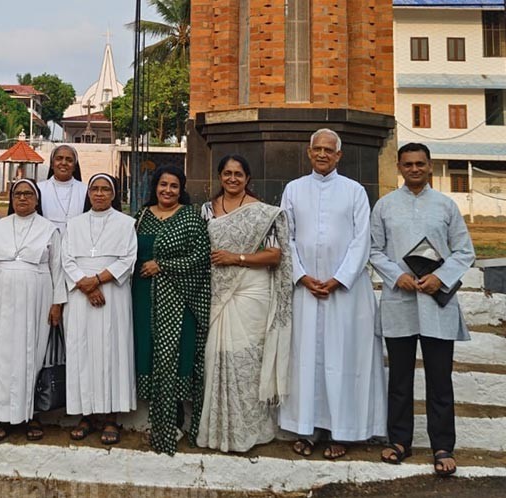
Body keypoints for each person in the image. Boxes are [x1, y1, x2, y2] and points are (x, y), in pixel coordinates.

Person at [279, 128, 387, 459]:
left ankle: (343, 432)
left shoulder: (354, 191)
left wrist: (339, 278)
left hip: (346, 293)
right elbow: (286, 237)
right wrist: (302, 276)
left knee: (344, 359)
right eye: (318, 149)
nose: (323, 154)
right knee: (307, 359)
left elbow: (362, 239)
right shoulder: (294, 189)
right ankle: (308, 429)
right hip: (306, 290)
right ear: (309, 152)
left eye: (329, 150)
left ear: (339, 155)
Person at [370, 143, 475, 476]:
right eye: (408, 164)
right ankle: (400, 441)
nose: (414, 169)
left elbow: (464, 251)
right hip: (400, 300)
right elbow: (373, 249)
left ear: (430, 166)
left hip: (436, 302)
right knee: (399, 378)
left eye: (420, 164)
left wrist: (440, 278)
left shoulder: (445, 206)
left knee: (440, 379)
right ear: (399, 167)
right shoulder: (385, 206)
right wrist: (396, 275)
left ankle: (442, 446)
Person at [196, 155, 293, 453]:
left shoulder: (262, 212)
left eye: (238, 174)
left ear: (248, 178)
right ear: (220, 176)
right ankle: (219, 429)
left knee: (249, 360)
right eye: (227, 173)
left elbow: (274, 255)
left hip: (252, 290)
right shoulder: (207, 210)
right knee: (216, 356)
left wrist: (236, 258)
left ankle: (253, 429)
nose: (232, 178)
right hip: (219, 291)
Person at [0, 179, 66, 441]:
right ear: (11, 198)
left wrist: (57, 304)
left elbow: (57, 269)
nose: (23, 198)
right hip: (3, 296)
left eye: (28, 194)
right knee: (2, 355)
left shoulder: (49, 229)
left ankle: (31, 415)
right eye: (18, 194)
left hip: (37, 296)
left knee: (32, 354)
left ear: (37, 200)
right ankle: (2, 415)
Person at [132, 165, 210, 455]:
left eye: (174, 186)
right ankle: (156, 421)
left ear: (181, 189)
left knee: (174, 354)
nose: (167, 190)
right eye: (163, 184)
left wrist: (162, 265)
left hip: (178, 299)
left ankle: (174, 420)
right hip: (143, 298)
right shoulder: (141, 217)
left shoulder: (190, 217)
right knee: (148, 351)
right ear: (155, 186)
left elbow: (201, 257)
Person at [62, 173, 137, 445]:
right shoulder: (74, 224)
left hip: (113, 296)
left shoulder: (126, 223)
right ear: (89, 193)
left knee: (112, 353)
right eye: (95, 188)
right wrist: (87, 285)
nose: (100, 193)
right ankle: (86, 415)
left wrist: (96, 280)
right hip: (81, 295)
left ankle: (110, 418)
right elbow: (66, 259)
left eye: (106, 189)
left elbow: (128, 260)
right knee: (82, 353)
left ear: (114, 194)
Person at [37, 145, 87, 234]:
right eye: (59, 158)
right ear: (52, 164)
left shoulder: (85, 190)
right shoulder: (39, 189)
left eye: (69, 160)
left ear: (75, 166)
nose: (63, 163)